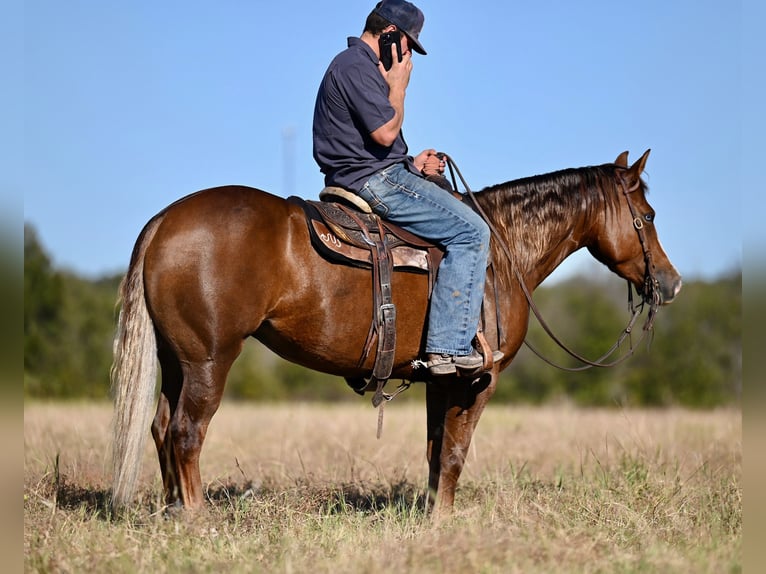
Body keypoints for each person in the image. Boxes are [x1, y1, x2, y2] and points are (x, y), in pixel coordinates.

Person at [312, 0, 500, 377]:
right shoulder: (355, 66)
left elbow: (370, 142)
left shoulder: (354, 66)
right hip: (373, 182)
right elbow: (385, 132)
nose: (409, 55)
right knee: (473, 231)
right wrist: (399, 86)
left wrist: (412, 164)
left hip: (376, 171)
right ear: (390, 36)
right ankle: (447, 348)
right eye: (409, 44)